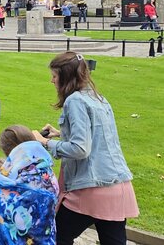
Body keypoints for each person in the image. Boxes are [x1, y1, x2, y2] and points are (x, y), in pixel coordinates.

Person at [31, 51, 139, 245]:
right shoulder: (98, 98)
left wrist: (45, 142)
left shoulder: (74, 101)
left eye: (55, 76)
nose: (52, 81)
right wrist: (61, 134)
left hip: (91, 188)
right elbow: (98, 138)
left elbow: (81, 149)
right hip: (118, 186)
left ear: (65, 78)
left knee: (56, 236)